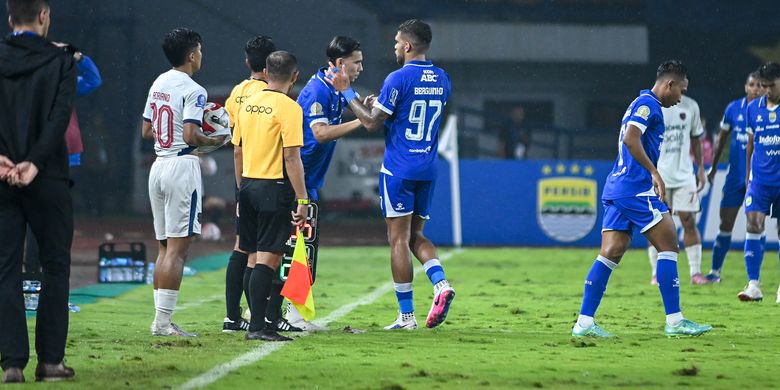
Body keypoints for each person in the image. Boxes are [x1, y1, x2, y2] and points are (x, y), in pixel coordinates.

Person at [326, 19, 455, 330]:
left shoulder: (397, 78)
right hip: (428, 166)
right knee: (417, 236)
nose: (395, 47)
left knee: (397, 239)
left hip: (398, 168)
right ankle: (440, 284)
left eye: (397, 42)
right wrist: (379, 105)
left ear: (408, 46)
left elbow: (372, 124)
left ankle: (406, 317)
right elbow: (411, 109)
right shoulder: (442, 78)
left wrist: (347, 93)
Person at [571, 60, 712, 338]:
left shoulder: (641, 102)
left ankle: (584, 322)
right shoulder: (648, 105)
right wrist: (654, 174)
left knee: (611, 251)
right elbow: (631, 139)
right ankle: (675, 321)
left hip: (618, 187)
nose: (681, 98)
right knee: (669, 242)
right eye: (680, 91)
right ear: (669, 84)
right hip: (635, 188)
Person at [0, 0, 77, 382]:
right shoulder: (61, 60)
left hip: (1, 177)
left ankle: (12, 362)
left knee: (5, 268)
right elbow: (59, 116)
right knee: (55, 266)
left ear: (10, 19)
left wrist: (3, 158)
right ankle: (50, 362)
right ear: (44, 16)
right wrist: (34, 161)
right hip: (47, 176)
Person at [141, 28, 226, 337]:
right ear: (192, 55)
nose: (201, 56)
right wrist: (218, 139)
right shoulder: (195, 89)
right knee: (178, 250)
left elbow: (146, 130)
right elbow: (191, 136)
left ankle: (160, 321)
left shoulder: (158, 82)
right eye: (200, 51)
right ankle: (162, 323)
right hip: (181, 166)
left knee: (165, 248)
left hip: (158, 164)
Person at [285, 35, 373, 330]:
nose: (361, 67)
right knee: (295, 248)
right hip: (297, 181)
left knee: (302, 248)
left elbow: (349, 105)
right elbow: (321, 133)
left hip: (308, 179)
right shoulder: (317, 91)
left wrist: (362, 105)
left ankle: (287, 314)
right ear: (339, 63)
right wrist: (361, 121)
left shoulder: (335, 87)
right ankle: (286, 315)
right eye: (356, 62)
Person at [233, 51, 308, 341]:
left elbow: (237, 150)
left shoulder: (248, 104)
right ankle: (258, 327)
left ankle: (257, 323)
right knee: (269, 258)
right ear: (294, 76)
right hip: (273, 187)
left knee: (252, 258)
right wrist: (302, 199)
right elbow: (291, 157)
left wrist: (241, 190)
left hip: (249, 185)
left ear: (265, 71)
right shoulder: (289, 108)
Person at [222, 35, 276, 333]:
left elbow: (234, 138)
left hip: (242, 178)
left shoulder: (237, 92)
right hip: (266, 177)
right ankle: (261, 318)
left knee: (242, 246)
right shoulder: (270, 94)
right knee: (262, 252)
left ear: (247, 62)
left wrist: (239, 184)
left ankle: (232, 316)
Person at [705, 72, 763, 283]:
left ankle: (755, 278)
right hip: (734, 177)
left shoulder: (766, 111)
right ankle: (715, 272)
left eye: (759, 85)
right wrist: (712, 168)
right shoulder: (733, 109)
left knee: (756, 224)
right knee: (725, 222)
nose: (756, 88)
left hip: (758, 179)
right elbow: (721, 140)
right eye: (752, 85)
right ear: (745, 87)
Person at [647, 94, 707, 285]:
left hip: (684, 176)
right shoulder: (653, 107)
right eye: (682, 85)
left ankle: (695, 273)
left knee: (689, 223)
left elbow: (696, 139)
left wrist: (700, 169)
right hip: (659, 176)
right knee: (656, 226)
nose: (684, 89)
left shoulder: (691, 106)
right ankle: (656, 274)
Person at [737, 62, 780, 303]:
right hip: (760, 180)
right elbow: (751, 144)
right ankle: (754, 285)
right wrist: (747, 176)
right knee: (753, 224)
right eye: (763, 86)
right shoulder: (753, 109)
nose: (766, 91)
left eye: (771, 86)